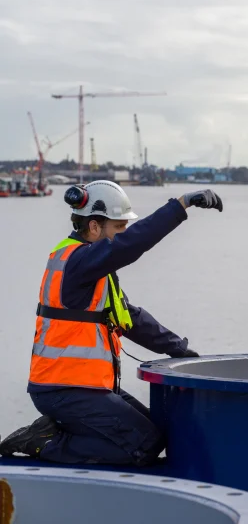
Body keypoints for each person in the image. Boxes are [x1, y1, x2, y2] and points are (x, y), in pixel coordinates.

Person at [0, 181, 223, 465]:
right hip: (63, 389)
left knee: (157, 433)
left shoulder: (93, 270)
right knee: (143, 444)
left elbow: (131, 319)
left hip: (83, 386)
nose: (124, 234)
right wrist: (179, 206)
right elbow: (131, 246)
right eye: (119, 228)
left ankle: (60, 436)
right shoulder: (79, 261)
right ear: (94, 227)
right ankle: (44, 443)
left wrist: (180, 350)